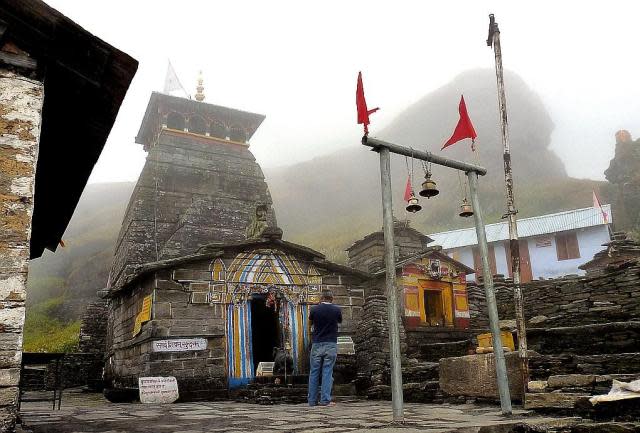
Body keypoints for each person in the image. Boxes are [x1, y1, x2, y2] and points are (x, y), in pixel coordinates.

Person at [307, 289, 342, 407]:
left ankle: (312, 401)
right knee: (327, 371)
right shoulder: (336, 309)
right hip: (331, 343)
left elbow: (310, 322)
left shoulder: (314, 309)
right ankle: (325, 400)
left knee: (314, 372)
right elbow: (339, 321)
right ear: (332, 298)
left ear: (321, 298)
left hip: (317, 343)